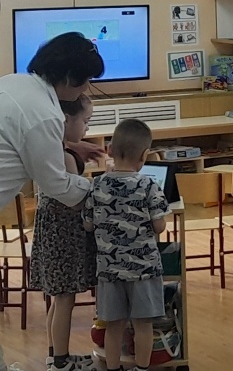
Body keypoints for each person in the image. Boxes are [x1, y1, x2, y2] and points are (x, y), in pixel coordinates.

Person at [83, 119, 170, 371]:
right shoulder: (149, 185)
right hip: (144, 270)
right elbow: (159, 226)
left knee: (113, 325)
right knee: (143, 324)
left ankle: (113, 368)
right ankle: (141, 369)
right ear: (144, 155)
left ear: (109, 149)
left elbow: (87, 225)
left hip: (109, 270)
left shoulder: (96, 185)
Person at [28, 94, 99, 371]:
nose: (87, 128)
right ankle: (61, 361)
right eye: (85, 121)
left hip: (52, 234)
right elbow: (76, 199)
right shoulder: (65, 157)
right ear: (66, 119)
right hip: (65, 237)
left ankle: (55, 354)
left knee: (58, 299)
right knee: (65, 299)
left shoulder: (54, 148)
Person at [0, 32, 106, 209]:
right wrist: (105, 191)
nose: (87, 87)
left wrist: (65, 147)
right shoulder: (45, 114)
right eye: (87, 79)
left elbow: (21, 143)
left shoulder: (12, 81)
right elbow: (57, 185)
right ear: (69, 77)